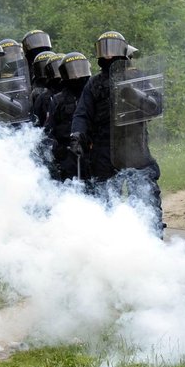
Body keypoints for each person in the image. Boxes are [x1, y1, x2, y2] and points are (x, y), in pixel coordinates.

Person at [70, 31, 164, 234]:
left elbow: (156, 106)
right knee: (104, 205)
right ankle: (107, 248)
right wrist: (77, 135)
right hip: (103, 151)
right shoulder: (94, 83)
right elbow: (82, 114)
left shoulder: (138, 78)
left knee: (146, 202)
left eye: (113, 50)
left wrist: (135, 95)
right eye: (105, 51)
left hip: (135, 148)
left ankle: (151, 242)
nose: (109, 56)